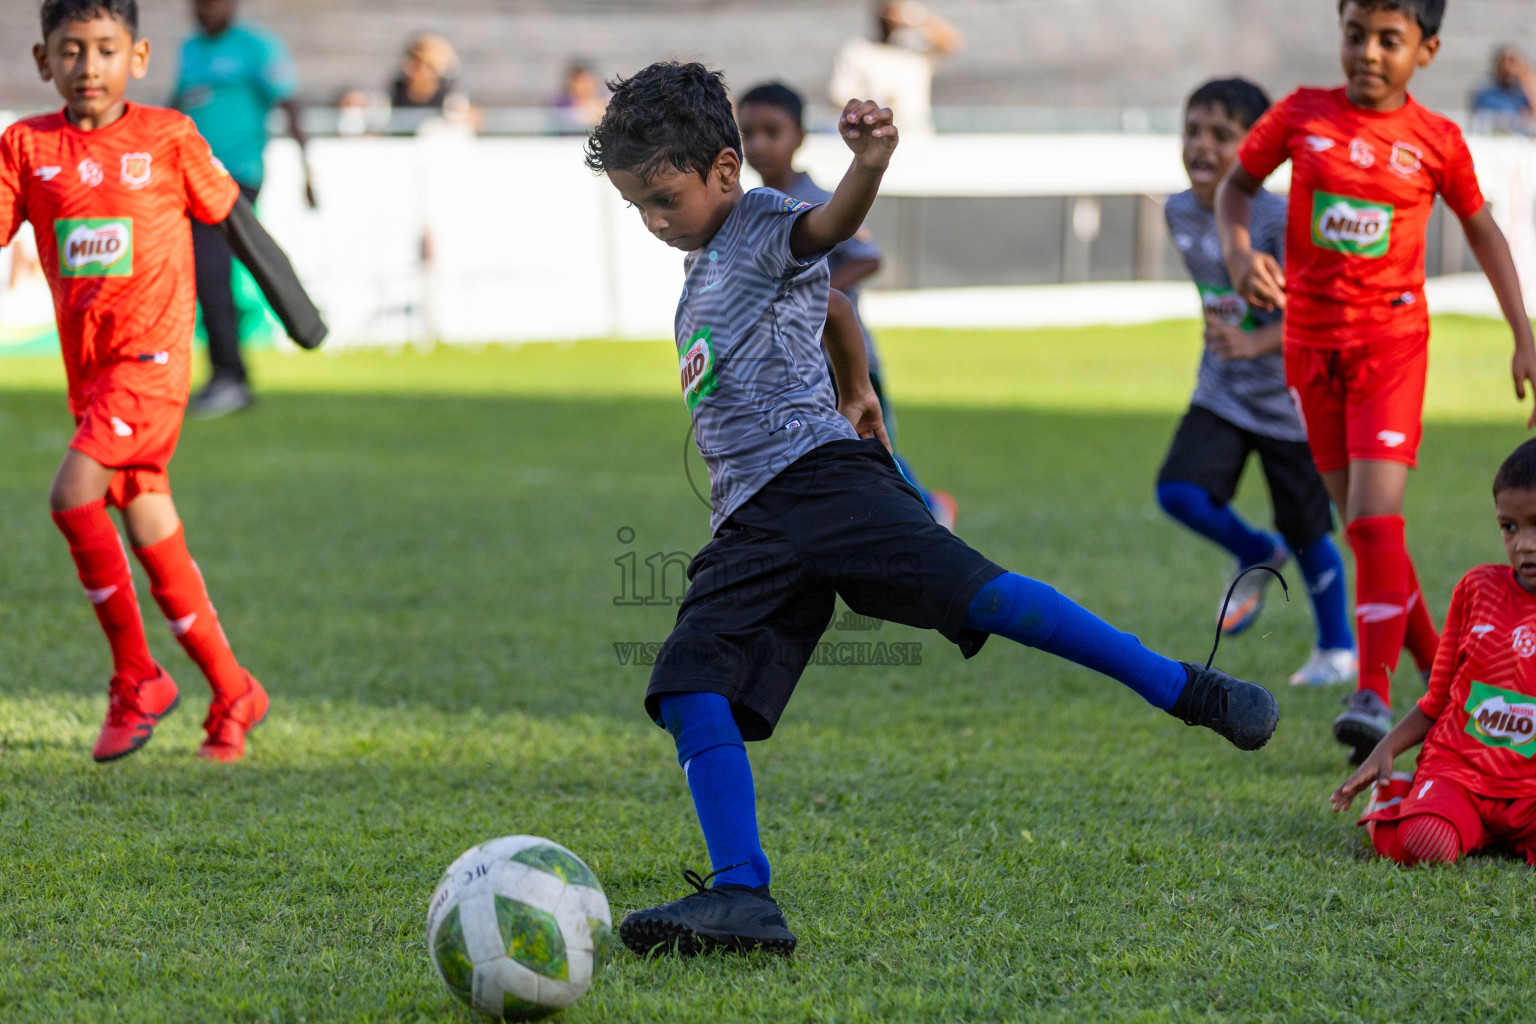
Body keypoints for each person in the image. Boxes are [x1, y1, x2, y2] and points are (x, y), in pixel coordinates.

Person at [584, 60, 1279, 958]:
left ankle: (1183, 686)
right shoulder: (704, 265)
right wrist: (857, 381)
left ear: (724, 169)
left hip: (827, 485)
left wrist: (869, 164)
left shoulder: (759, 218)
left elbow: (829, 234)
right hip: (752, 522)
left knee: (986, 596)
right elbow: (831, 304)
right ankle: (742, 896)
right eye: (637, 206)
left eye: (663, 198)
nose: (653, 222)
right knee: (685, 685)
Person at [3, 0, 327, 762]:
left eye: (106, 49)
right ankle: (234, 689)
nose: (90, 66)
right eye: (72, 50)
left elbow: (235, 220)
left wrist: (299, 314)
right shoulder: (25, 146)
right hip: (89, 375)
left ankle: (137, 677)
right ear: (44, 60)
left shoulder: (168, 137)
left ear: (139, 59)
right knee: (148, 523)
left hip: (150, 364)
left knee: (71, 494)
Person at [1217, 0, 1536, 764]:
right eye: (1355, 35)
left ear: (1425, 50)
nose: (1367, 53)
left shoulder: (1435, 140)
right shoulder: (1301, 115)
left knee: (1371, 522)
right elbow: (1236, 188)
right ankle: (1444, 688)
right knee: (1371, 535)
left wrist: (1524, 334)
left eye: (1388, 40)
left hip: (1391, 347)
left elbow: (1484, 231)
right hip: (1309, 349)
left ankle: (1372, 691)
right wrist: (1238, 258)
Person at [1158, 78, 1355, 687]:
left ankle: (1337, 649)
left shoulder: (1280, 220)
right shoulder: (1177, 210)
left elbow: (1317, 313)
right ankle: (1253, 552)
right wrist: (1232, 337)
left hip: (1290, 404)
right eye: (1193, 130)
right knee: (1179, 492)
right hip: (1221, 391)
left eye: (1222, 134)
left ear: (1258, 146)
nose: (1202, 145)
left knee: (1309, 531)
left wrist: (1255, 340)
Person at [737, 80, 958, 530]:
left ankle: (930, 514)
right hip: (793, 370)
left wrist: (810, 289)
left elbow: (868, 257)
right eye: (748, 133)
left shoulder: (821, 199)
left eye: (771, 131)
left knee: (875, 448)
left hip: (842, 356)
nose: (758, 144)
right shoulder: (749, 210)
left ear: (799, 135)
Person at [1331, 439, 1536, 866]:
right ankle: (1402, 801)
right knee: (1425, 846)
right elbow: (1437, 698)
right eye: (1510, 527)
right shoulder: (1478, 589)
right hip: (1460, 774)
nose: (1524, 545)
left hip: (1529, 792)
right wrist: (1385, 748)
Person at [172, 0, 315, 418]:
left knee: (212, 272)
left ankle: (230, 377)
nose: (203, 10)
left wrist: (308, 168)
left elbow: (289, 102)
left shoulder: (256, 47)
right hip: (189, 178)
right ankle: (226, 375)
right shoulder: (190, 49)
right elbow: (176, 107)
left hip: (236, 177)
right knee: (203, 274)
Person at [828, 0, 963, 135]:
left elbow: (952, 42)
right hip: (876, 137)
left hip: (915, 137)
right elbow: (842, 99)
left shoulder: (915, 53)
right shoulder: (858, 51)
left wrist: (918, 16)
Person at [1470, 46, 1536, 135]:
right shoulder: (1486, 94)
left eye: (1513, 62)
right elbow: (1482, 121)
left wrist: (1527, 78)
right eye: (1505, 62)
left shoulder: (1522, 94)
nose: (1508, 67)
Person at [551, 61, 610, 136]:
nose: (586, 86)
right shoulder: (562, 102)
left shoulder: (603, 100)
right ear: (572, 83)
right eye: (581, 82)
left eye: (588, 81)